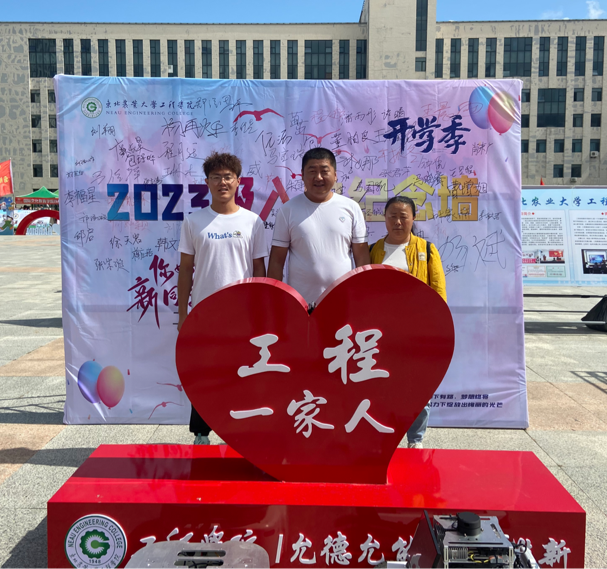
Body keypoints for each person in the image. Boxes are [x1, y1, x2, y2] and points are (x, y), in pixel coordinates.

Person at [177, 152, 268, 445]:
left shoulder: (253, 222)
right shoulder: (194, 222)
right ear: (207, 183)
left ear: (238, 182)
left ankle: (243, 433)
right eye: (216, 177)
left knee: (244, 374)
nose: (222, 182)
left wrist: (260, 312)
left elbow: (259, 269)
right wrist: (183, 314)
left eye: (228, 177)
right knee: (206, 375)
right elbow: (186, 269)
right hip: (205, 315)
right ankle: (201, 433)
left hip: (243, 316)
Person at [369, 196, 446, 447]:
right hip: (380, 334)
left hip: (416, 333)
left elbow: (438, 293)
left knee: (418, 388)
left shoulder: (427, 250)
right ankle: (384, 439)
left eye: (404, 216)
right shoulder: (373, 250)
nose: (398, 222)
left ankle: (416, 439)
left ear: (413, 219)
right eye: (392, 216)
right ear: (384, 219)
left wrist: (435, 329)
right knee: (381, 387)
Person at [267, 148, 370, 305]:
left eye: (324, 171)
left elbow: (361, 257)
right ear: (302, 175)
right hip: (301, 302)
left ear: (335, 175)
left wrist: (363, 296)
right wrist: (275, 299)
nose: (319, 177)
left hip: (342, 300)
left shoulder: (351, 208)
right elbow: (276, 261)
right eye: (312, 171)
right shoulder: (288, 210)